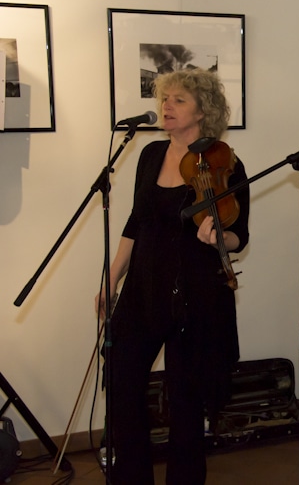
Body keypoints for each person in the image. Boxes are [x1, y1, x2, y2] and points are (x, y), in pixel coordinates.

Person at [95, 69, 250, 485]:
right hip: (143, 288)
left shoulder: (225, 165)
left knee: (185, 401)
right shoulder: (150, 155)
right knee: (122, 382)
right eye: (165, 98)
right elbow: (136, 221)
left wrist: (219, 236)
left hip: (195, 295)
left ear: (203, 111)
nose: (167, 106)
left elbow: (239, 236)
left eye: (179, 100)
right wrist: (111, 278)